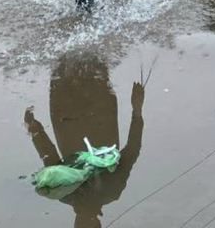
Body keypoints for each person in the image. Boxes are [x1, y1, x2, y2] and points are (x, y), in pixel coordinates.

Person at [24, 52, 145, 227]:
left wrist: (137, 111)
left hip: (99, 110)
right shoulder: (63, 193)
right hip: (67, 114)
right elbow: (49, 157)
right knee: (66, 54)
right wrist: (35, 130)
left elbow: (133, 150)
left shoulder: (109, 192)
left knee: (92, 52)